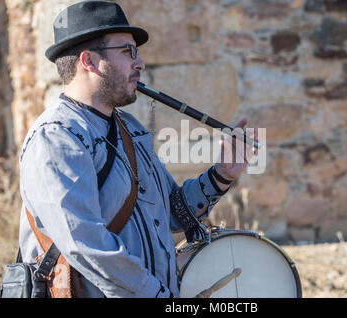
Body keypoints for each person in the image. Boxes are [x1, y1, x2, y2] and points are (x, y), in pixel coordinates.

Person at [18, 1, 257, 298]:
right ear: (89, 61)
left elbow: (169, 213)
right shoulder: (56, 137)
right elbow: (86, 244)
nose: (140, 63)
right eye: (127, 52)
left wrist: (221, 175)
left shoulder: (128, 128)